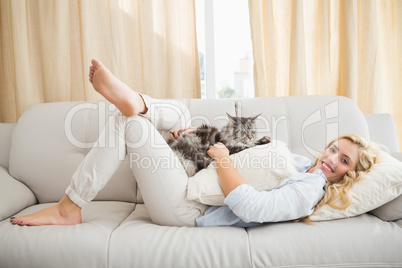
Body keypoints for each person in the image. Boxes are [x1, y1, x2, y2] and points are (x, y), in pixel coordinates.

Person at [10, 59, 380, 227]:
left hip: (187, 208)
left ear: (348, 176)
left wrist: (219, 157)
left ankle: (69, 206)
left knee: (131, 125)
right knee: (172, 119)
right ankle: (140, 103)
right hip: (186, 181)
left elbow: (252, 206)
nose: (332, 159)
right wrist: (198, 144)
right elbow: (240, 158)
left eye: (344, 161)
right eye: (335, 149)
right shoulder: (300, 164)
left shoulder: (309, 188)